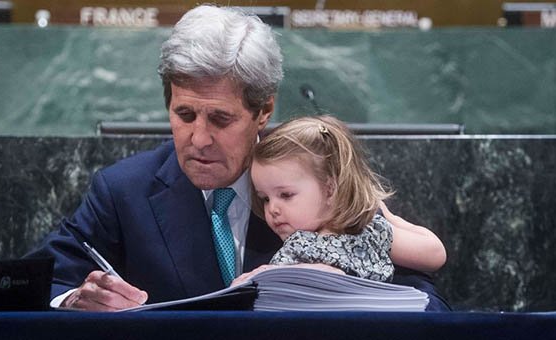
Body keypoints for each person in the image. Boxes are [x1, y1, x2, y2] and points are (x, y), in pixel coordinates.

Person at [25, 4, 451, 311]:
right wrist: (75, 300)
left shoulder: (315, 182)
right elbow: (33, 282)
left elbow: (423, 296)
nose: (200, 138)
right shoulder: (123, 191)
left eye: (221, 119)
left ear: (263, 110)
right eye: (184, 114)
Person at [233, 115, 445, 285]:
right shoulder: (296, 246)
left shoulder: (368, 231)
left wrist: (388, 217)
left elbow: (434, 254)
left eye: (285, 195)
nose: (273, 209)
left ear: (329, 188)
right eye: (265, 199)